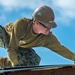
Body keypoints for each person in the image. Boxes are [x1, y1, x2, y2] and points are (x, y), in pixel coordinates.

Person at [0, 5, 75, 67]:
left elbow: (61, 49)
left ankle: (2, 63)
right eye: (47, 26)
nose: (49, 28)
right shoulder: (21, 24)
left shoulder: (47, 38)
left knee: (32, 62)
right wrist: (15, 65)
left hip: (20, 45)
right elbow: (12, 48)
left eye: (51, 26)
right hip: (6, 35)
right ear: (36, 23)